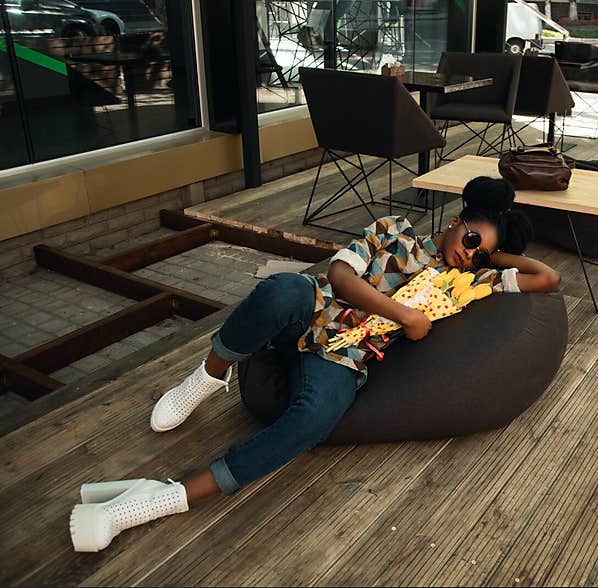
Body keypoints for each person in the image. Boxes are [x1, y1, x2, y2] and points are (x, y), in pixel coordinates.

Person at [68, 177, 561, 552]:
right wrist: (403, 313)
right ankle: (207, 377)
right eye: (472, 239)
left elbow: (548, 278)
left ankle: (162, 497)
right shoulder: (395, 232)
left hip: (343, 357)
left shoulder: (463, 285)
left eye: (482, 255)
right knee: (283, 288)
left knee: (315, 418)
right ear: (457, 219)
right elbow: (340, 275)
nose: (468, 255)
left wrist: (496, 260)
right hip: (313, 308)